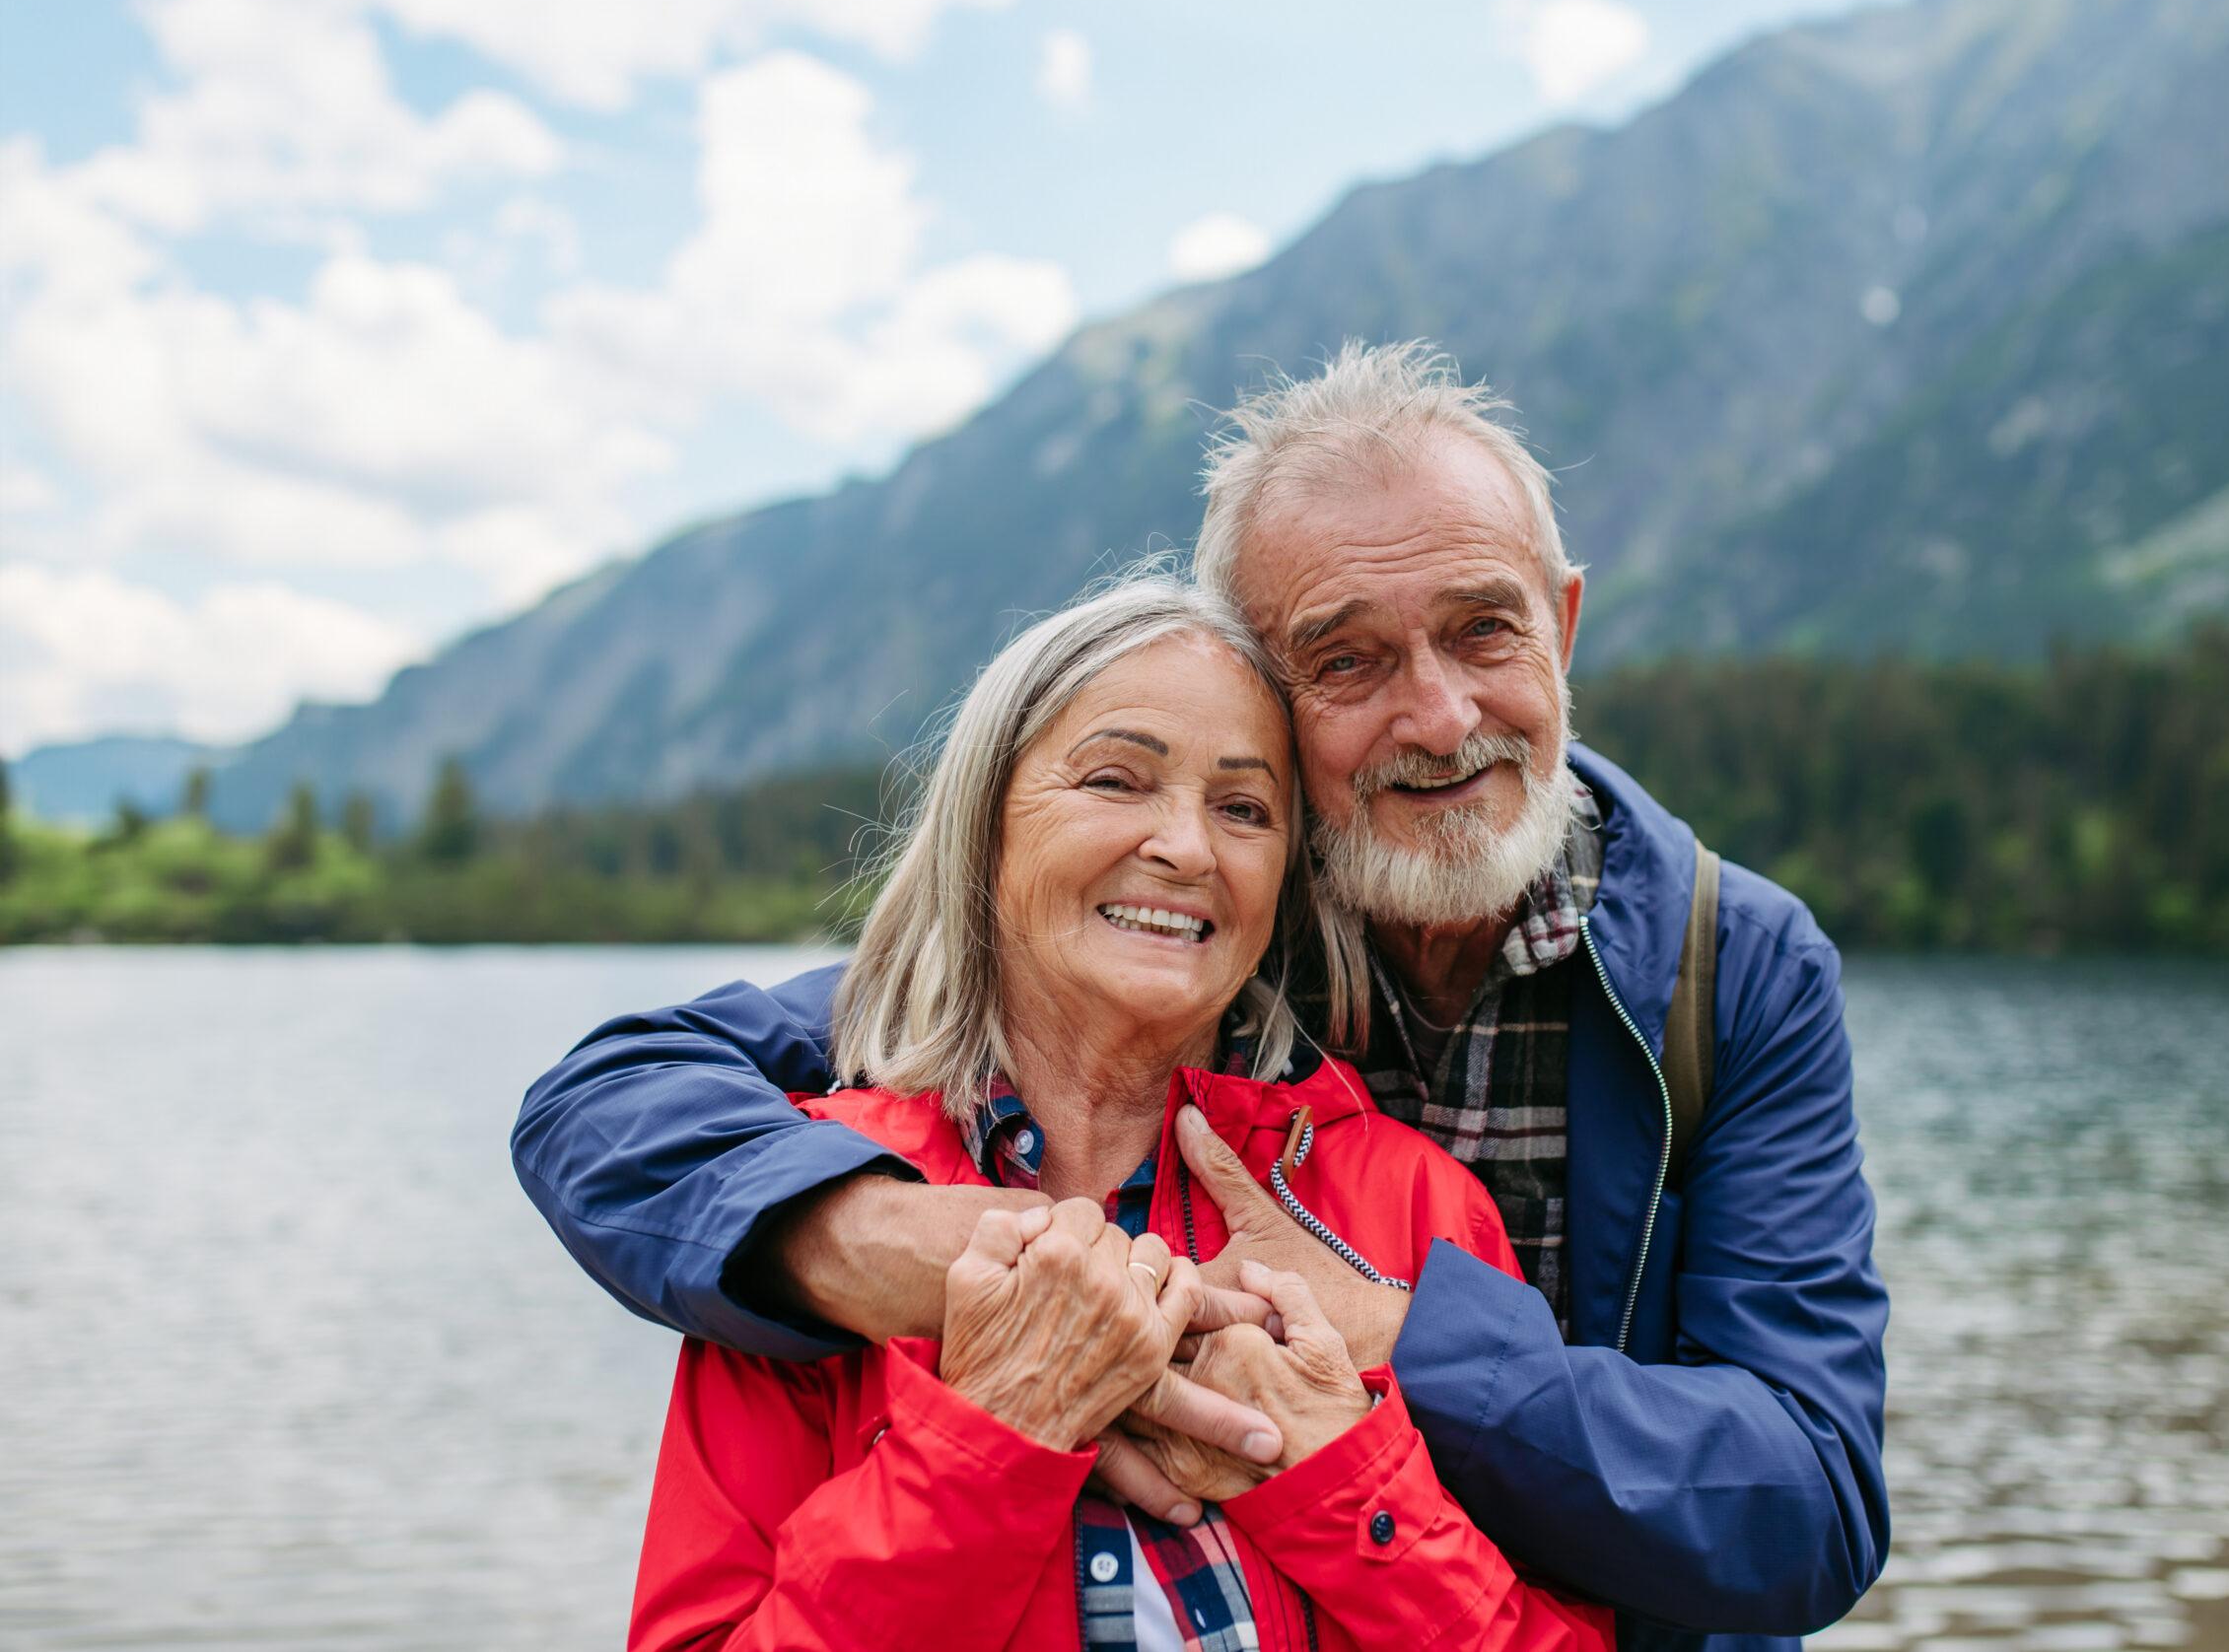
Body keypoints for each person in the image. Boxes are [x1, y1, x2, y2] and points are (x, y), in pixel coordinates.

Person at [518, 342, 1889, 1650]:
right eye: (1347, 658)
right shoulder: (1175, 929)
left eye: (1485, 630)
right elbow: (612, 1098)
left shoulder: (1731, 966)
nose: (1440, 716)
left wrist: (1388, 1348)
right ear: (1263, 690)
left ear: (1565, 624)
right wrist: (956, 1264)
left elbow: (1813, 1503)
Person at [628, 578, 1610, 1650]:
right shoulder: (825, 1208)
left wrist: (1338, 1477)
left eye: (1243, 809)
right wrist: (997, 1434)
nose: (1187, 848)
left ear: (1282, 881)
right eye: (1115, 779)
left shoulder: (1407, 1205)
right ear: (985, 825)